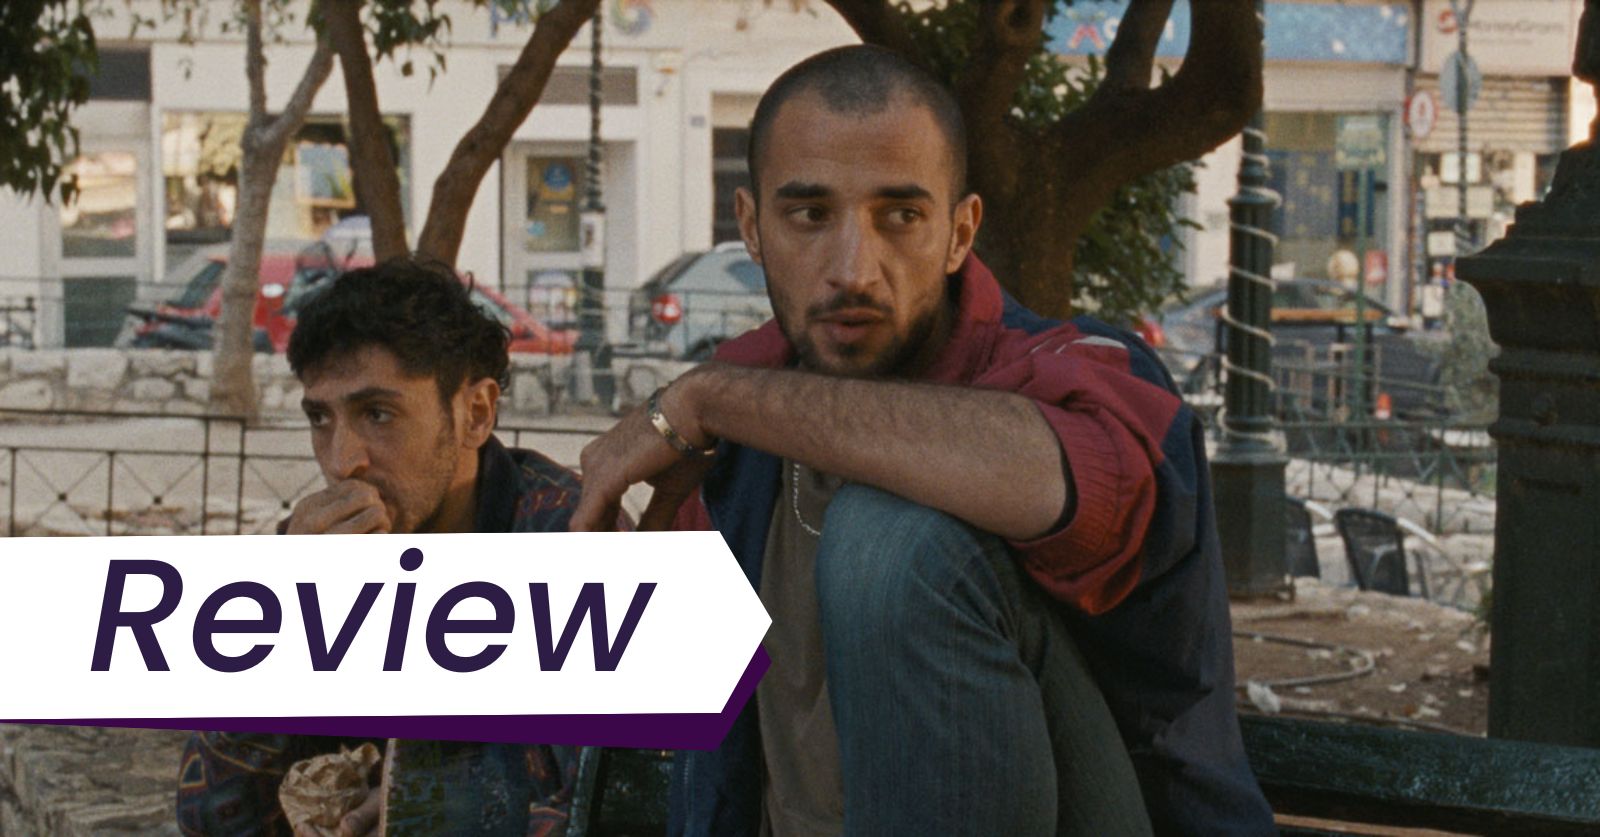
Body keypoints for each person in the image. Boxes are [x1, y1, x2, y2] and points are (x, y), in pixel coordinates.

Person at [573, 46, 1274, 836]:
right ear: (752, 228)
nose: (853, 269)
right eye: (809, 215)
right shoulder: (739, 421)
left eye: (900, 216)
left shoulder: (1077, 374)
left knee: (894, 542)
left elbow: (1066, 484)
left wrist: (704, 395)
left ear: (958, 232)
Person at [175, 259, 590, 836]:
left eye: (378, 413)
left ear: (475, 413)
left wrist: (427, 816)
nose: (344, 461)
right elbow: (211, 818)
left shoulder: (572, 541)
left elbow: (616, 807)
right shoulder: (317, 552)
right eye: (321, 418)